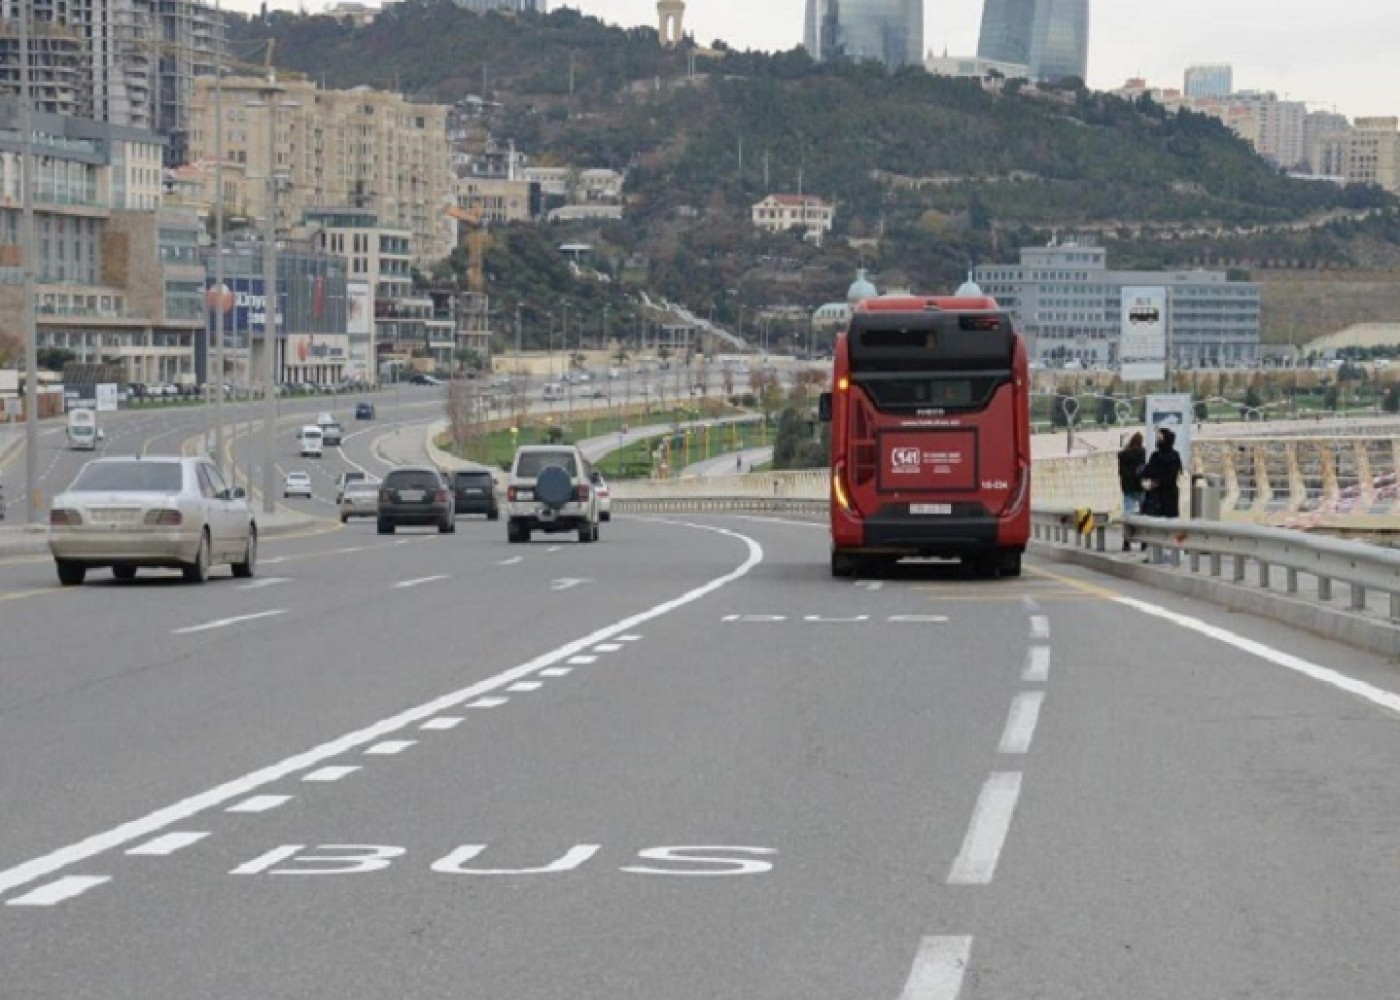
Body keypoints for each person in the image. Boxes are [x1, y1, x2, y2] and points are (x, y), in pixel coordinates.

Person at [1140, 426, 1183, 520]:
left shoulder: (1173, 456)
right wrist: (1143, 479)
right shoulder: (1155, 455)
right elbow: (1147, 471)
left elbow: (1170, 478)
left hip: (1167, 497)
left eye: (1159, 438)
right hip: (1153, 498)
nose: (1157, 440)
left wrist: (1154, 483)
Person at [1117, 432, 1147, 551]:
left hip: (1128, 488)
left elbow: (1121, 472)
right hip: (1140, 487)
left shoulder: (1123, 455)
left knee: (1128, 514)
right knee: (1143, 514)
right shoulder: (1142, 453)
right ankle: (1144, 542)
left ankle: (1126, 542)